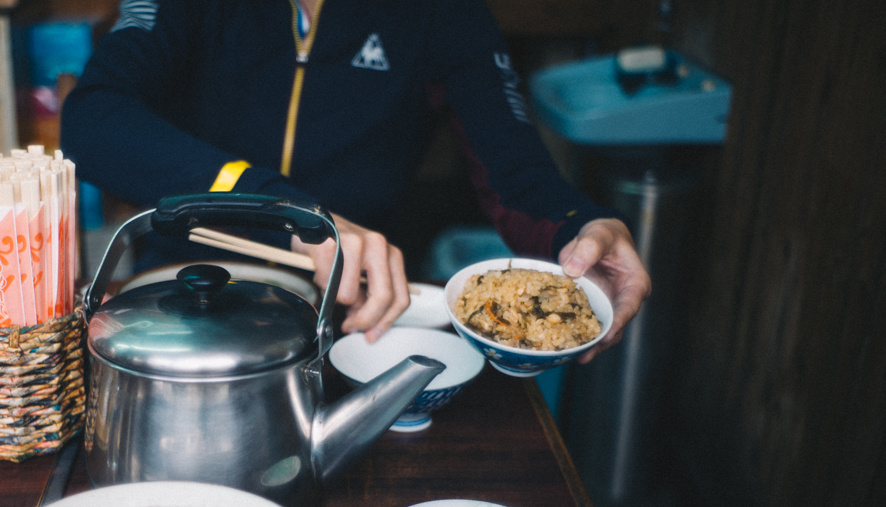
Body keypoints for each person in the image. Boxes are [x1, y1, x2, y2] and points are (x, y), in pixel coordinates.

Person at [61, 0, 650, 360]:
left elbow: (514, 172)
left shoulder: (442, 12)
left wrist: (578, 228)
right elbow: (92, 120)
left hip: (358, 310)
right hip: (183, 293)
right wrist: (283, 208)